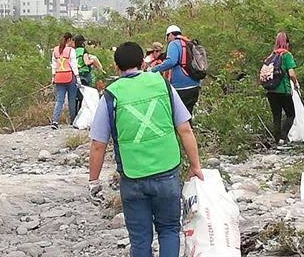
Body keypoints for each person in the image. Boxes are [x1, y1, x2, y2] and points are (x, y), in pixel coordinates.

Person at [88, 42, 203, 257]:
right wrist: (195, 165)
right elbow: (185, 129)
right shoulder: (162, 84)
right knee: (169, 230)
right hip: (167, 171)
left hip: (133, 177)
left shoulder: (111, 95)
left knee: (140, 238)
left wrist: (93, 181)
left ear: (116, 67)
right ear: (142, 63)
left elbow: (98, 145)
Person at [151, 26, 201, 115]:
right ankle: (190, 129)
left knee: (178, 118)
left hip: (181, 88)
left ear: (170, 35)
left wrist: (153, 70)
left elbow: (170, 62)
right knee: (188, 116)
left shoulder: (174, 44)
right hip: (195, 86)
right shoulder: (187, 43)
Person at [265, 32, 299, 147]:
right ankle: (283, 138)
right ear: (287, 43)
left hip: (271, 91)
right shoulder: (286, 55)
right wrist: (295, 83)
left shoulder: (271, 56)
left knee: (276, 116)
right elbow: (292, 73)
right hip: (283, 90)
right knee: (290, 114)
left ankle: (276, 141)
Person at [51, 32, 79, 129]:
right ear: (69, 40)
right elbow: (73, 65)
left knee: (59, 100)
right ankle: (73, 121)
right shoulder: (71, 50)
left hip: (59, 77)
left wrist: (53, 77)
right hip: (70, 76)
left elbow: (54, 65)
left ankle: (55, 121)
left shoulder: (55, 50)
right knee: (72, 100)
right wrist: (78, 77)